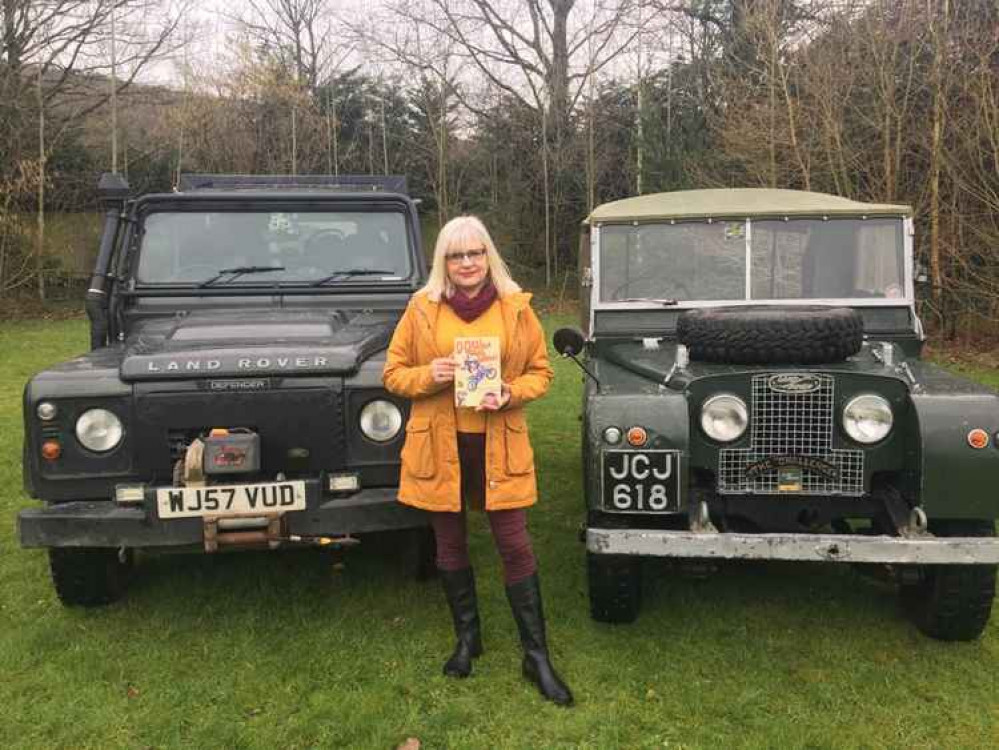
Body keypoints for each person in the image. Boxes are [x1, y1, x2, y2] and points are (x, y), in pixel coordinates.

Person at [382, 216, 573, 707]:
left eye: (474, 253)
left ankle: (536, 655)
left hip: (498, 445)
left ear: (488, 255)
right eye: (455, 255)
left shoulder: (516, 308)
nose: (466, 263)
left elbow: (542, 372)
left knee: (515, 545)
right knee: (450, 543)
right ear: (442, 261)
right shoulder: (422, 309)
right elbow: (393, 374)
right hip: (440, 447)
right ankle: (468, 640)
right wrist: (431, 373)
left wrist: (510, 392)